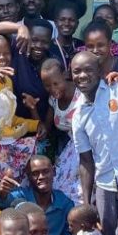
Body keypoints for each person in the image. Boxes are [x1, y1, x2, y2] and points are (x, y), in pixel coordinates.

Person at [71, 51, 118, 235]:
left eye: (88, 70)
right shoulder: (78, 115)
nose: (82, 75)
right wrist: (86, 203)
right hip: (104, 184)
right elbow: (86, 161)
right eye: (77, 71)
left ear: (100, 70)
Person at [0, 154, 74, 235]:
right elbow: (4, 202)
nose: (41, 177)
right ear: (28, 176)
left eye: (46, 171)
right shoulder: (21, 195)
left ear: (54, 172)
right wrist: (2, 193)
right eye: (35, 174)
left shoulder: (64, 203)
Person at [40, 58, 82, 203]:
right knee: (58, 183)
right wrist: (33, 109)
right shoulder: (53, 100)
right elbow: (46, 127)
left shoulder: (81, 94)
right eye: (47, 86)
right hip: (70, 147)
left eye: (55, 83)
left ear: (65, 75)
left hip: (87, 147)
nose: (52, 89)